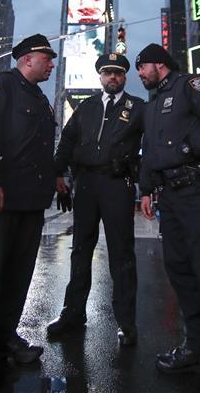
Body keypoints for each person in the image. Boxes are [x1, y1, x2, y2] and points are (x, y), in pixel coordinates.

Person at [136, 43, 200, 393]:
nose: (139, 74)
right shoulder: (152, 107)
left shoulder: (190, 86)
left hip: (197, 193)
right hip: (170, 198)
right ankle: (198, 349)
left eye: (142, 67)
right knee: (180, 273)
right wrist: (146, 190)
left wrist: (188, 147)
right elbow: (149, 152)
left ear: (158, 64)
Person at [0, 34, 59, 393]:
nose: (51, 63)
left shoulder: (40, 98)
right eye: (46, 58)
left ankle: (4, 339)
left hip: (29, 202)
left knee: (18, 276)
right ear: (26, 59)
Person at [48, 52, 145, 346]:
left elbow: (152, 145)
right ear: (100, 77)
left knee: (122, 254)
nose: (112, 77)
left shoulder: (138, 108)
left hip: (118, 184)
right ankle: (73, 313)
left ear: (124, 77)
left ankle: (126, 322)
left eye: (117, 73)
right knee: (80, 250)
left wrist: (149, 187)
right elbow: (66, 141)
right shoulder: (87, 107)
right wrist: (58, 175)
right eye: (107, 73)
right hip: (87, 184)